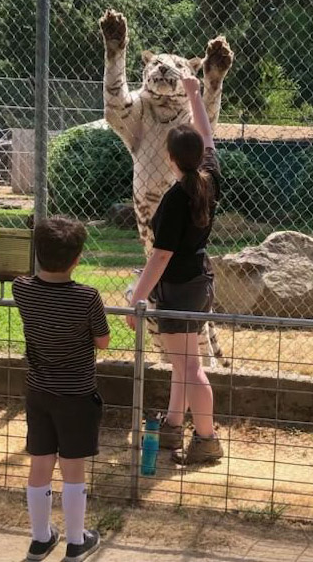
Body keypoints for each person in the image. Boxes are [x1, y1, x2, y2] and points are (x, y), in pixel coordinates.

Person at [125, 75, 223, 465]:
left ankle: (206, 439)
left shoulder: (173, 200)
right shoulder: (209, 180)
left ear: (170, 158)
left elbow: (160, 256)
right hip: (197, 282)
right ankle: (171, 425)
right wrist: (195, 94)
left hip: (179, 286)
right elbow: (208, 135)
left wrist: (138, 295)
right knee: (184, 365)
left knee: (190, 368)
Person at [13, 216, 107, 562]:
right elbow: (103, 341)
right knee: (73, 467)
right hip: (77, 394)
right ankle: (76, 541)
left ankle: (40, 539)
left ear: (37, 254)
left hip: (39, 391)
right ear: (77, 257)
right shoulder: (87, 298)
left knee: (40, 463)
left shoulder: (21, 289)